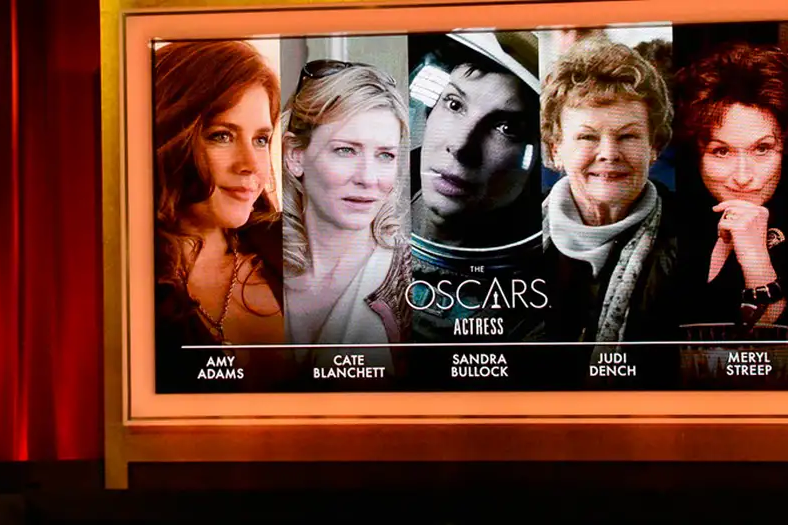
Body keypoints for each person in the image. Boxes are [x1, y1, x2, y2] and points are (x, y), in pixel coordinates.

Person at [152, 41, 291, 392]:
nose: (251, 165)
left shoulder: (295, 246)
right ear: (168, 137)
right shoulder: (124, 285)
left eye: (261, 139)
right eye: (222, 136)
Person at [405, 32, 547, 346]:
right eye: (454, 104)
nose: (461, 145)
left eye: (506, 128)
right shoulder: (353, 214)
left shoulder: (542, 298)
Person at [539, 38, 678, 346]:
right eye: (588, 137)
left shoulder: (688, 236)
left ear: (654, 146)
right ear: (556, 149)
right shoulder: (513, 234)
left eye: (628, 136)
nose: (609, 153)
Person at [279, 59, 410, 382]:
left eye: (385, 155)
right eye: (346, 151)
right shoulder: (249, 265)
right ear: (295, 155)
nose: (368, 178)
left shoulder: (416, 280)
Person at [674, 43, 788, 327]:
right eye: (721, 151)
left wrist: (755, 260)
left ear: (785, 144)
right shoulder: (670, 215)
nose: (743, 176)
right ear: (697, 153)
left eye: (762, 149)